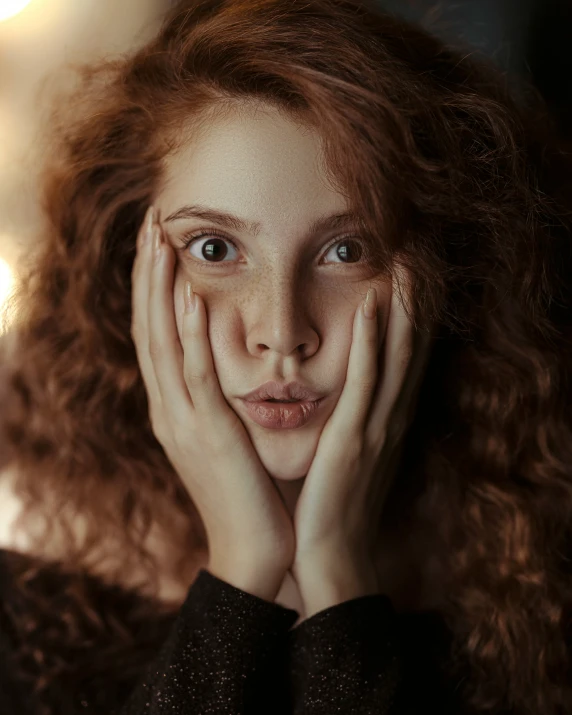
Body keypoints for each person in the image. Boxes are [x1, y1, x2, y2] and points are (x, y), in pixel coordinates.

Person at [0, 0, 571, 713]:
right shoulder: (22, 556)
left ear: (449, 270)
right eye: (215, 249)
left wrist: (338, 570)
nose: (281, 331)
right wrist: (241, 573)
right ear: (128, 265)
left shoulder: (542, 560)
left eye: (346, 249)